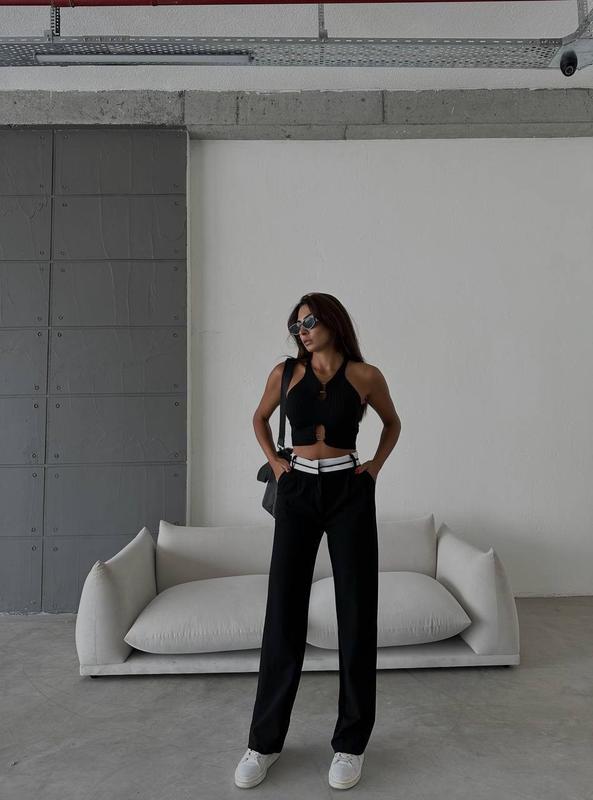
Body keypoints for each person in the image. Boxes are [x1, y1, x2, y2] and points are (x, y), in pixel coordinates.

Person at [235, 292, 401, 790]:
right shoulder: (285, 373)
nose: (301, 331)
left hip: (350, 491)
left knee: (357, 612)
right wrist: (278, 464)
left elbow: (393, 424)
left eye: (308, 322)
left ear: (331, 321)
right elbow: (259, 418)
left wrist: (373, 469)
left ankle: (351, 745)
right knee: (283, 612)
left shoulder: (366, 376)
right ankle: (264, 743)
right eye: (296, 326)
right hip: (298, 489)